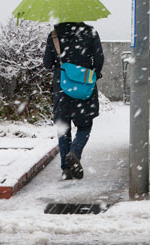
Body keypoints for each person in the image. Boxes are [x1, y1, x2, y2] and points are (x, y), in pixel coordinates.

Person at [43, 21, 104, 180]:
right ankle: (75, 152)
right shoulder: (90, 33)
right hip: (84, 87)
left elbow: (47, 64)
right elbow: (99, 59)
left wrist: (61, 64)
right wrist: (93, 73)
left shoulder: (54, 35)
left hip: (62, 87)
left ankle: (66, 169)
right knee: (85, 125)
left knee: (63, 128)